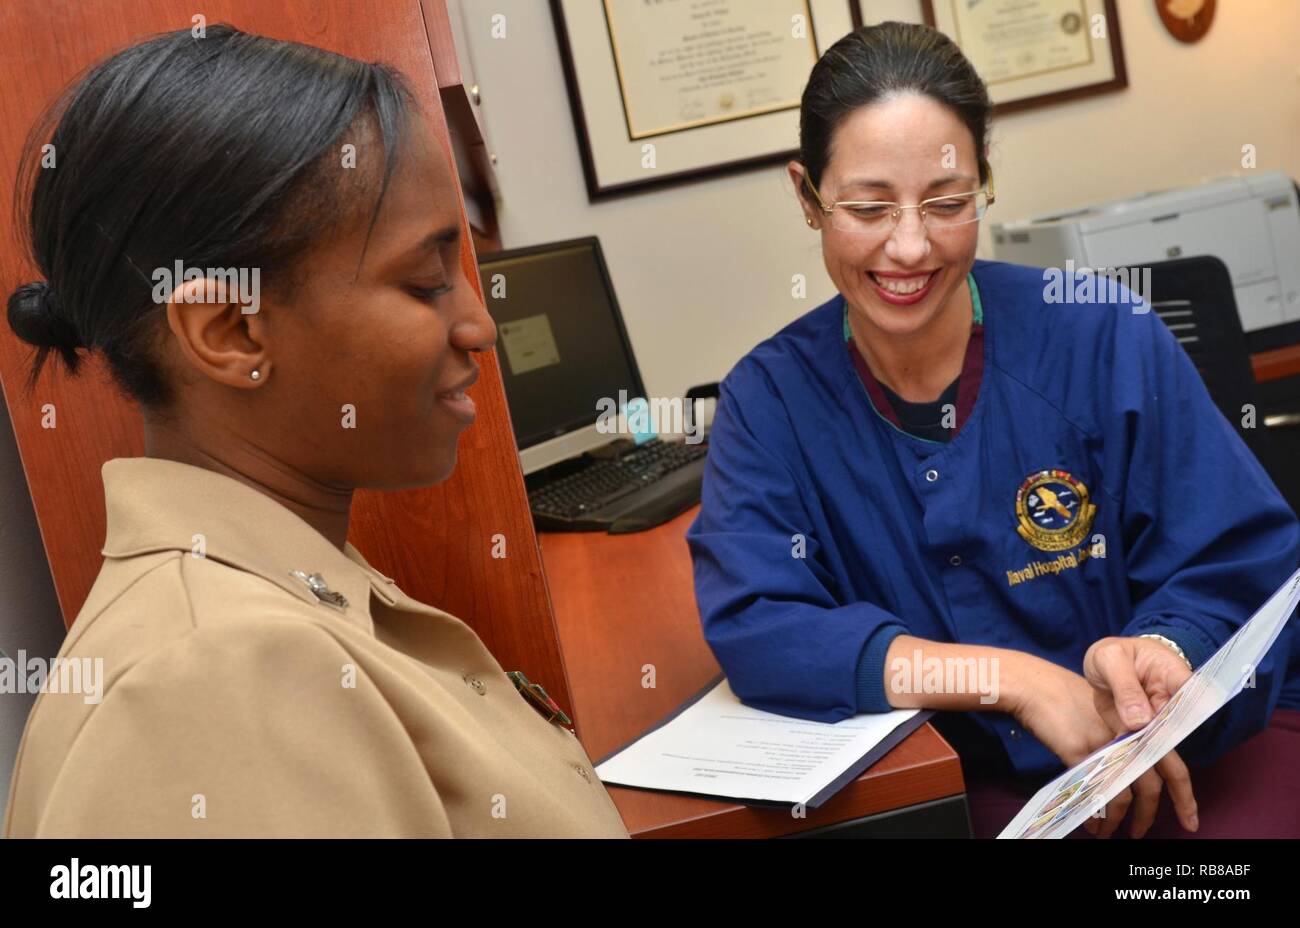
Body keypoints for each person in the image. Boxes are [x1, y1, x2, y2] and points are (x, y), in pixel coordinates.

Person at [3, 25, 628, 838]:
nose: (479, 325)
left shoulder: (289, 590)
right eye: (427, 280)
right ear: (231, 331)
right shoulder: (217, 681)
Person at [687, 21, 1300, 839]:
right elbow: (763, 627)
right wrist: (1011, 680)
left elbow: (1245, 559)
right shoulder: (769, 401)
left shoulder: (1103, 335)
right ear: (807, 197)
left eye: (947, 203)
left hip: (1183, 757)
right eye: (868, 207)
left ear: (984, 185)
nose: (909, 246)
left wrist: (1167, 648)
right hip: (970, 791)